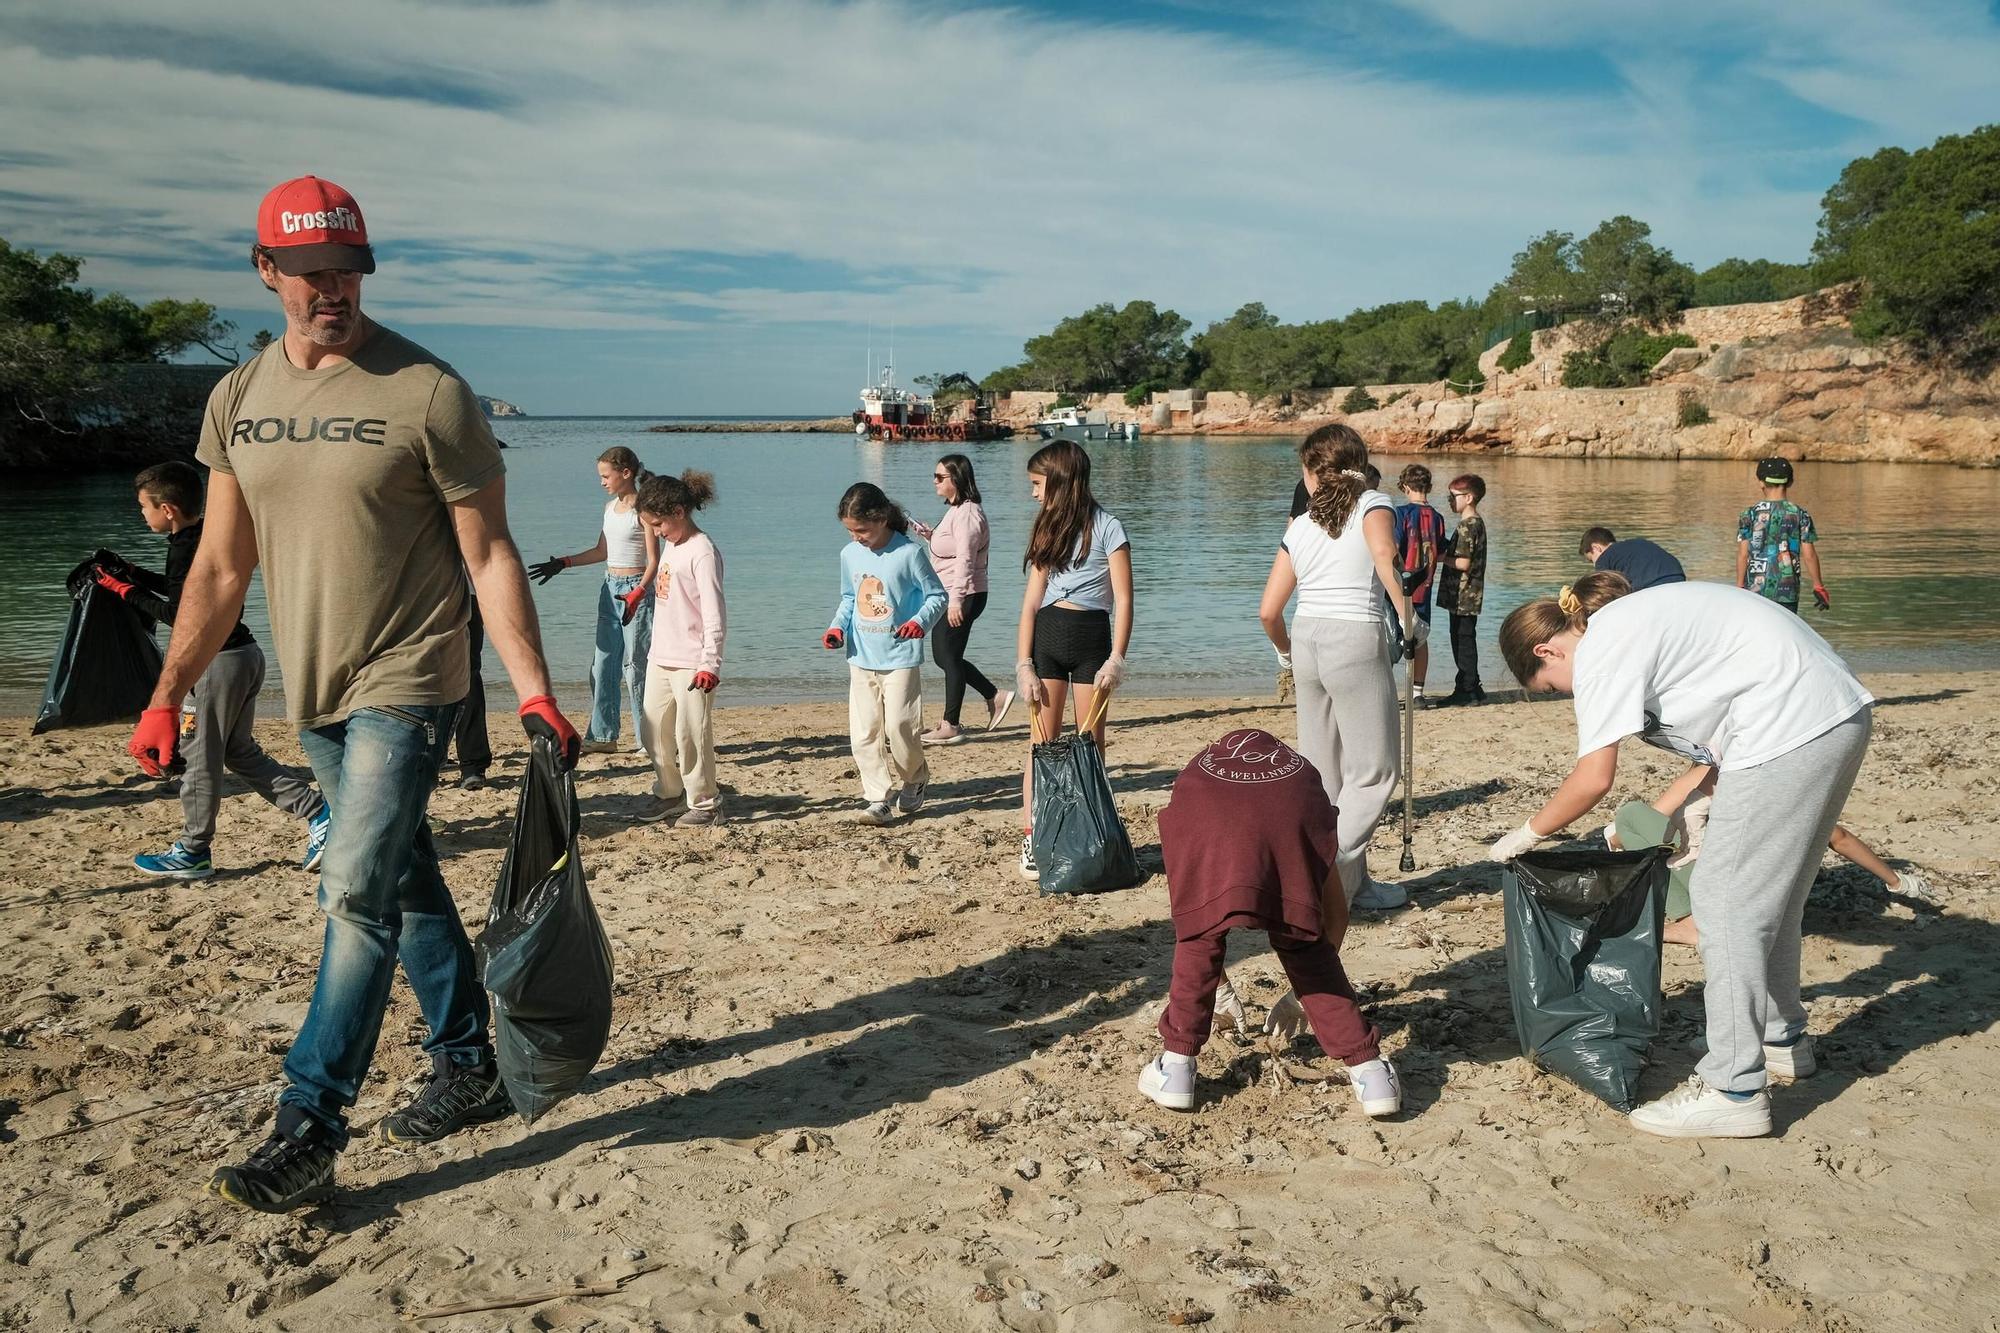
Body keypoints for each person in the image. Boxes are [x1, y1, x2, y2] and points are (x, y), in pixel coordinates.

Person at [125, 175, 581, 1211]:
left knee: (354, 892)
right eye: (312, 272)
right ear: (266, 271)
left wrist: (533, 692)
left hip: (412, 678)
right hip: (315, 684)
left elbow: (492, 550)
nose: (334, 291)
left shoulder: (428, 389)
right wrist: (170, 693)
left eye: (350, 271)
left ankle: (308, 1123)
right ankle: (468, 1059)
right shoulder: (239, 396)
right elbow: (219, 566)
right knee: (407, 878)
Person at [1491, 573, 1874, 1138]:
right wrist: (1682, 802)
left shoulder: (1599, 647)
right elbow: (1715, 729)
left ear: (1548, 650)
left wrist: (1525, 833)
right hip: (1833, 714)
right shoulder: (1626, 626)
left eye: (1551, 686)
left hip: (1787, 727)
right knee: (1776, 898)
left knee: (1722, 908)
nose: (1565, 695)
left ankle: (1734, 1089)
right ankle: (1779, 1040)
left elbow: (1594, 779)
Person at [1139, 728, 1400, 1118]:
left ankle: (1177, 1068)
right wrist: (1305, 992)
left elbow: (1193, 916)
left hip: (1204, 813)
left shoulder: (1193, 789)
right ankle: (1370, 1073)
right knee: (1304, 942)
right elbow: (1335, 915)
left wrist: (1218, 985)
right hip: (1291, 815)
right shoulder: (1305, 796)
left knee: (1200, 940)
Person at [96, 461, 329, 879]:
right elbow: (183, 590)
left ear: (166, 509)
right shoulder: (206, 535)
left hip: (216, 665)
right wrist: (130, 571)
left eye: (142, 508)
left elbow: (180, 612)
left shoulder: (186, 546)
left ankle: (192, 850)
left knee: (199, 757)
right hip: (245, 656)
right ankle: (319, 813)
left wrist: (123, 590)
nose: (141, 515)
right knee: (238, 751)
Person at [1260, 424, 1415, 913]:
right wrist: (1410, 624)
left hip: (1307, 638)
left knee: (1326, 775)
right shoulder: (1374, 503)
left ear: (1311, 473)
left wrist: (1286, 653)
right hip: (1354, 637)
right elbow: (1385, 558)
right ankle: (1319, 874)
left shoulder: (1300, 526)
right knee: (1374, 773)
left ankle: (1355, 886)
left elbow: (1268, 611)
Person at [1014, 441, 1134, 880]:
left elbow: (1123, 599)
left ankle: (1091, 830)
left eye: (1036, 484)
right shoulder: (1047, 526)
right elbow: (1030, 604)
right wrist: (1023, 664)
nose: (1032, 493)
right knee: (1042, 744)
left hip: (1092, 642)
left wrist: (1116, 658)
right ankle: (1033, 833)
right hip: (1048, 636)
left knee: (1090, 746)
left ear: (1062, 480)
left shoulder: (1108, 528)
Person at [824, 483, 946, 825]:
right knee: (864, 733)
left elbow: (936, 596)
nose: (855, 537)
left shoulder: (908, 553)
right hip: (860, 656)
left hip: (900, 657)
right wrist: (837, 628)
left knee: (900, 729)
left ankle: (915, 777)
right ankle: (877, 798)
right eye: (849, 530)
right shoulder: (850, 555)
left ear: (880, 519)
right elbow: (850, 598)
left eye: (861, 530)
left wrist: (919, 622)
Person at [527, 447, 660, 754]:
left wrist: (638, 593)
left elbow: (654, 561)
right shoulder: (609, 507)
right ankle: (604, 736)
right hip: (609, 588)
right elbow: (602, 552)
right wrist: (563, 562)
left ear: (625, 473)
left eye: (605, 475)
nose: (601, 482)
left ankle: (648, 740)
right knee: (602, 666)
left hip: (635, 591)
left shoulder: (645, 510)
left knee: (635, 667)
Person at [635, 470, 725, 826]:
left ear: (678, 512)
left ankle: (706, 804)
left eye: (658, 524)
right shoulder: (673, 544)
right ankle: (670, 792)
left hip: (693, 663)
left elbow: (714, 614)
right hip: (661, 656)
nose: (656, 533)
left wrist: (710, 664)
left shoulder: (703, 551)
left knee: (691, 737)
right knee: (653, 730)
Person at [910, 454, 1013, 745]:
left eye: (940, 477)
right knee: (946, 656)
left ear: (957, 479)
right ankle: (994, 696)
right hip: (954, 593)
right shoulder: (957, 511)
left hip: (964, 593)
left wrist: (956, 601)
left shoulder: (968, 513)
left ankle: (951, 724)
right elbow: (954, 550)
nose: (934, 481)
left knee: (948, 657)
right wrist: (930, 535)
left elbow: (967, 560)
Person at [1736, 457, 1828, 613]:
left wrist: (1739, 586)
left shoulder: (1749, 514)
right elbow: (1809, 555)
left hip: (1755, 591)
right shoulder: (1800, 514)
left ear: (1761, 482)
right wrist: (1818, 586)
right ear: (1790, 482)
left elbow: (1743, 555)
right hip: (1788, 591)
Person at [1430, 473, 1488, 708]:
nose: (1449, 500)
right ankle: (1472, 686)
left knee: (1462, 641)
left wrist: (1441, 557)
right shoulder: (1476, 523)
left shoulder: (1467, 526)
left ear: (1469, 497)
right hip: (1467, 594)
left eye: (1453, 496)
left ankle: (1467, 689)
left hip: (1464, 595)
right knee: (1465, 639)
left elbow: (1463, 563)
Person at [1392, 464, 1448, 700]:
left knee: (1391, 637)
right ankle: (1418, 692)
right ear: (1430, 487)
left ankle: (1386, 687)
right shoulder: (1438, 517)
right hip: (1425, 587)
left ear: (1405, 487)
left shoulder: (1402, 514)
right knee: (1421, 639)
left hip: (1402, 586)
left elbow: (1393, 549)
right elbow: (1442, 552)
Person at [451, 586, 493, 789]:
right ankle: (471, 766)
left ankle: (472, 766)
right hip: (418, 594)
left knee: (468, 677)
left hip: (464, 595)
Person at [1578, 526, 1685, 591]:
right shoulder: (1639, 543)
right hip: (1678, 577)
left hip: (1652, 586)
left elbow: (1603, 593)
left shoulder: (1605, 558)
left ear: (1596, 548)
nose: (1594, 565)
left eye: (1591, 560)